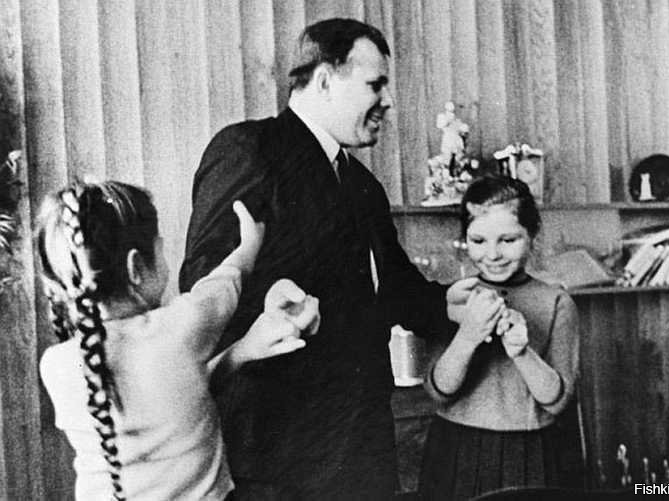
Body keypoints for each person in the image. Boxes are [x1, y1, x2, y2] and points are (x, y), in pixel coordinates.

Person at [179, 17, 470, 501]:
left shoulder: (363, 185)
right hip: (281, 451)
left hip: (363, 445)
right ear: (324, 79)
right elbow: (204, 278)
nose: (388, 101)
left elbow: (395, 290)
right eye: (375, 84)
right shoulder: (251, 148)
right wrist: (270, 298)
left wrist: (451, 304)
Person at [37, 180, 319, 501]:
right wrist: (249, 244)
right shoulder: (183, 323)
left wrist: (241, 351)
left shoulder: (56, 366)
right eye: (160, 249)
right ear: (135, 268)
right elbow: (227, 280)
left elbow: (173, 399)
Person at [419, 176, 581, 500]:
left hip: (531, 452)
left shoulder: (557, 302)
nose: (492, 254)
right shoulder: (455, 298)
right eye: (478, 240)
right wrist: (468, 336)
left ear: (532, 235)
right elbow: (439, 390)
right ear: (465, 239)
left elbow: (557, 400)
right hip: (456, 449)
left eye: (508, 239)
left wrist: (521, 352)